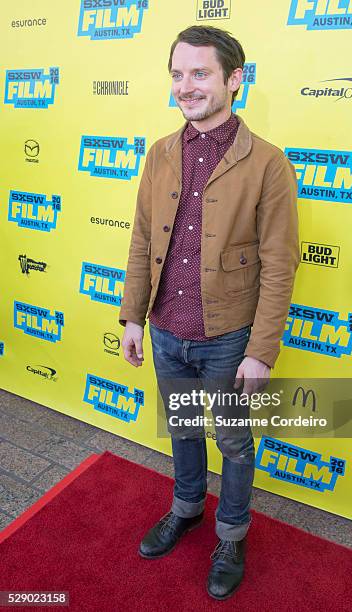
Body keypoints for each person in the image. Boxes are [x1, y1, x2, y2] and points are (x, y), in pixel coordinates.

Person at [119, 25, 299, 600]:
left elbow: (280, 264)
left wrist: (260, 351)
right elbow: (142, 238)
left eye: (200, 73)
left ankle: (232, 533)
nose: (186, 86)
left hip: (229, 337)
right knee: (183, 429)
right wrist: (131, 317)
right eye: (177, 74)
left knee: (235, 444)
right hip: (167, 330)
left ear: (234, 80)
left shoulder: (268, 163)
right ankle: (188, 508)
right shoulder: (159, 154)